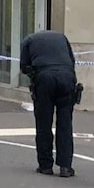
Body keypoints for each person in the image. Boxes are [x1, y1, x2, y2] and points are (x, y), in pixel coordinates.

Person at [20, 30, 78, 178]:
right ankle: (65, 166)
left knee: (44, 122)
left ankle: (45, 165)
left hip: (45, 78)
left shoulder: (28, 40)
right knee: (65, 123)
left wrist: (35, 77)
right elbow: (72, 61)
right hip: (66, 76)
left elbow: (24, 66)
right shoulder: (62, 37)